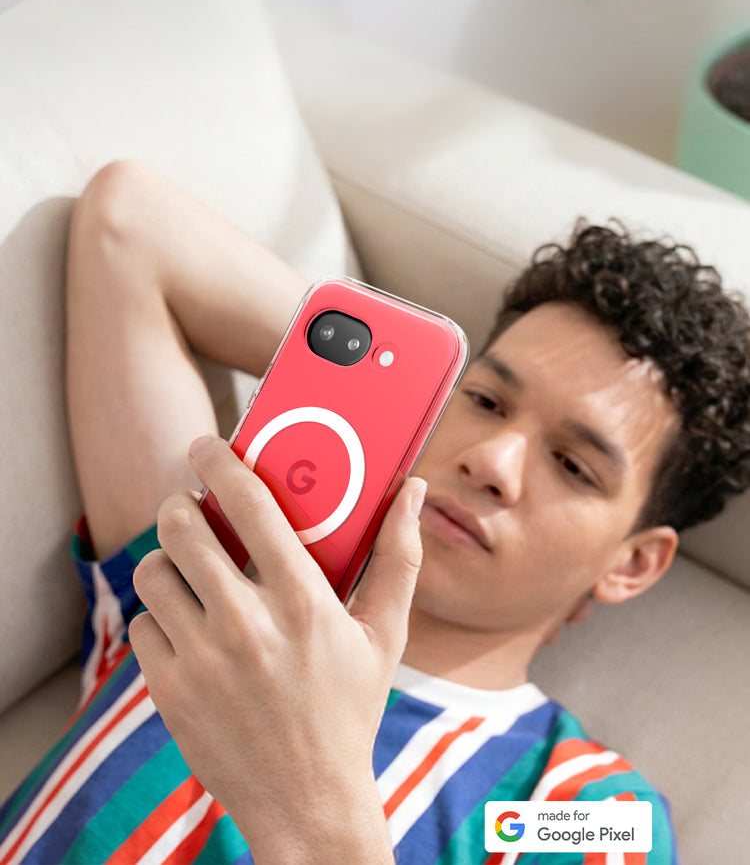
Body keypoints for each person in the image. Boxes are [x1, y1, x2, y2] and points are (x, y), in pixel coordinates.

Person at [2, 161, 750, 865]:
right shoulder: (212, 591)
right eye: (484, 401)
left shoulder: (580, 808)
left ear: (632, 562)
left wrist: (312, 800)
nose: (491, 462)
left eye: (573, 465)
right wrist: (392, 394)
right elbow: (130, 224)